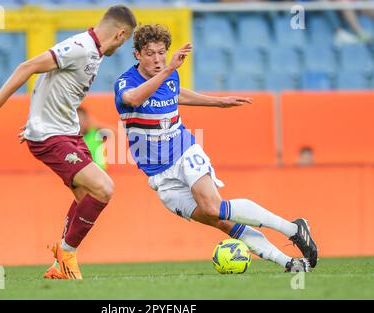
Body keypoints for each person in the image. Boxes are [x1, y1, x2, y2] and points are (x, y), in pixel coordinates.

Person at [113, 24, 318, 272]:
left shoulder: (169, 76)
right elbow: (134, 99)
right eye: (150, 53)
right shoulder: (126, 82)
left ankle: (293, 229)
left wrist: (218, 102)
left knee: (213, 206)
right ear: (137, 54)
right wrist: (169, 69)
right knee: (219, 220)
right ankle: (289, 263)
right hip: (158, 175)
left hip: (183, 151)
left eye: (161, 53)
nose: (157, 59)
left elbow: (177, 93)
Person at [0, 5, 137, 280]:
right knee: (105, 188)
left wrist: (36, 117)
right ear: (120, 34)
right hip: (52, 137)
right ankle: (65, 254)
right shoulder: (81, 47)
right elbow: (29, 67)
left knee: (89, 198)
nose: (120, 47)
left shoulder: (92, 53)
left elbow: (51, 84)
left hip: (66, 133)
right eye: (125, 41)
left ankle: (60, 266)